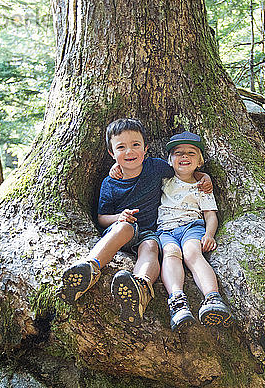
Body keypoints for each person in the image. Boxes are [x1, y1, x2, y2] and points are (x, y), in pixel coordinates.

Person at [58, 119, 212, 328]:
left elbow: (182, 171)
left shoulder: (156, 168)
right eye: (121, 147)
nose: (129, 151)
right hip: (121, 231)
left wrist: (203, 176)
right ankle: (90, 267)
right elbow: (102, 218)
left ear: (146, 148)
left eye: (135, 145)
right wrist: (119, 217)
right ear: (112, 154)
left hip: (150, 233)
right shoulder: (110, 183)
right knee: (125, 227)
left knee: (150, 247)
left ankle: (141, 288)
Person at [156, 132, 232, 331]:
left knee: (192, 253)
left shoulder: (202, 186)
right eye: (178, 153)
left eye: (191, 153)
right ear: (169, 160)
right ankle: (177, 300)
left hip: (192, 227)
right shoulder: (163, 181)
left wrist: (209, 234)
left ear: (200, 161)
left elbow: (210, 215)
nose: (184, 157)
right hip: (166, 231)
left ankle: (212, 297)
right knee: (171, 254)